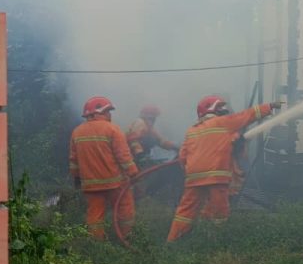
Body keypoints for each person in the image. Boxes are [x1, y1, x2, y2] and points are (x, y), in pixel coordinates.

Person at [167, 95, 280, 242]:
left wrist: (190, 173)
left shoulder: (191, 130)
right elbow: (247, 115)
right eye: (220, 107)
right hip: (216, 178)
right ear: (213, 109)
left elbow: (183, 156)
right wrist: (270, 106)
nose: (224, 111)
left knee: (185, 212)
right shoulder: (223, 123)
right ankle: (215, 241)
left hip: (193, 179)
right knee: (220, 212)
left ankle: (173, 241)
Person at [69, 96, 139, 241]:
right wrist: (133, 173)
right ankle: (127, 238)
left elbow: (73, 160)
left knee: (95, 216)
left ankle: (97, 244)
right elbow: (123, 156)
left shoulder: (77, 132)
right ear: (100, 112)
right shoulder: (112, 129)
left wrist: (76, 178)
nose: (110, 115)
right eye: (108, 111)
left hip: (91, 184)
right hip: (114, 184)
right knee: (124, 210)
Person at [126, 104, 178, 169]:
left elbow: (160, 141)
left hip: (140, 158)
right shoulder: (140, 123)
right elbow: (133, 140)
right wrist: (140, 154)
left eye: (154, 118)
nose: (154, 120)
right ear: (147, 117)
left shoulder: (149, 128)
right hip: (133, 158)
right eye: (152, 118)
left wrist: (175, 147)